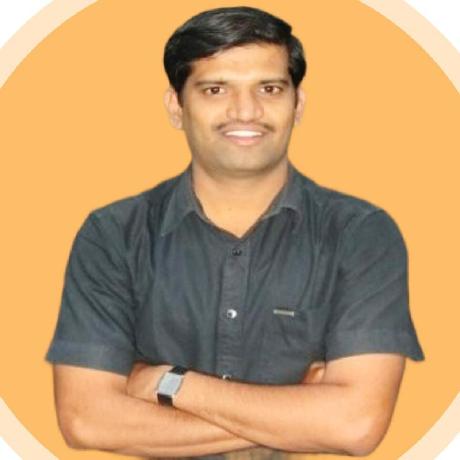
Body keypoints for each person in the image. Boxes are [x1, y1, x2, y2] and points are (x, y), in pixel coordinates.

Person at [45, 6, 425, 459]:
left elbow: (355, 424)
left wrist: (169, 383)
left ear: (298, 104)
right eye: (215, 89)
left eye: (269, 88)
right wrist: (301, 413)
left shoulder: (361, 234)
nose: (246, 111)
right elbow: (86, 421)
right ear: (176, 107)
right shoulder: (112, 236)